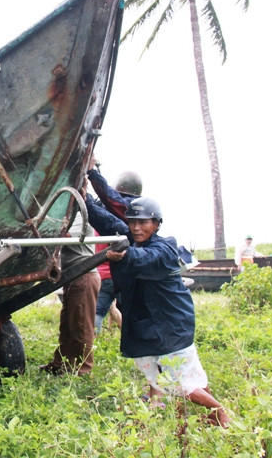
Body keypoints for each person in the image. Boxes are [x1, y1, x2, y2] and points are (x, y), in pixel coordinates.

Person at [88, 196, 230, 427]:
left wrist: (124, 255)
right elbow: (107, 221)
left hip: (169, 326)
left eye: (143, 222)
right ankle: (206, 420)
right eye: (132, 221)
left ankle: (221, 413)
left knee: (178, 383)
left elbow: (145, 258)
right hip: (156, 326)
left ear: (156, 224)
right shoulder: (134, 239)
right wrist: (86, 195)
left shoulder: (163, 247)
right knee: (185, 377)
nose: (136, 227)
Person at [39, 210, 101, 375]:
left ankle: (84, 370)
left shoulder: (80, 215)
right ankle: (60, 364)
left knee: (81, 327)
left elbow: (63, 237)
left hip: (83, 276)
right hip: (73, 277)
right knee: (67, 325)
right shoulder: (70, 215)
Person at [89, 165, 142, 334]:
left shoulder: (102, 218)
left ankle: (91, 343)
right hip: (122, 275)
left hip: (102, 275)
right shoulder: (132, 217)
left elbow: (105, 208)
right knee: (133, 312)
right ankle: (135, 338)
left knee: (97, 313)